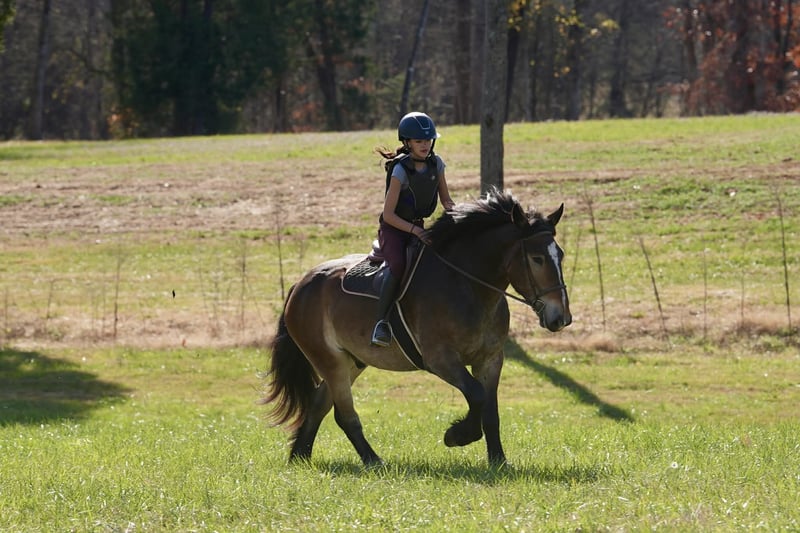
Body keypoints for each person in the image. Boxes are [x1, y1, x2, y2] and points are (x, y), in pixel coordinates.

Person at [371, 111, 455, 347]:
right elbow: (389, 215)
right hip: (393, 229)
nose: (425, 145)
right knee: (398, 265)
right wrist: (416, 231)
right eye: (419, 141)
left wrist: (460, 217)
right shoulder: (400, 170)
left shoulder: (437, 164)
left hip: (418, 227)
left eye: (428, 140)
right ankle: (381, 323)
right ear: (407, 142)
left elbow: (446, 200)